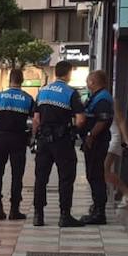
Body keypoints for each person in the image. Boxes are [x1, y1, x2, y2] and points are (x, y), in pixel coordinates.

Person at [32, 60, 87, 227]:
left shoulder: (42, 92)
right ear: (69, 73)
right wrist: (74, 130)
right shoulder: (70, 93)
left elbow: (36, 119)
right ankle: (64, 216)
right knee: (66, 177)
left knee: (41, 178)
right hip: (62, 141)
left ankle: (38, 215)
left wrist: (36, 139)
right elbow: (80, 119)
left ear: (56, 73)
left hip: (43, 140)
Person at [0, 68, 35, 221]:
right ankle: (14, 210)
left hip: (1, 139)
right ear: (22, 81)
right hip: (19, 139)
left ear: (9, 79)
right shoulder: (28, 98)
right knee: (17, 175)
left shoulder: (0, 96)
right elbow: (35, 120)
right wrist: (32, 137)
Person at [78, 70, 114, 225]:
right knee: (92, 175)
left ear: (93, 82)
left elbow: (103, 120)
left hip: (97, 142)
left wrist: (91, 135)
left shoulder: (102, 98)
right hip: (93, 142)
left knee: (95, 175)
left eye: (88, 81)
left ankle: (100, 213)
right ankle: (97, 206)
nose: (87, 84)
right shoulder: (96, 96)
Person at [105, 113, 128, 208]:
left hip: (112, 138)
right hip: (104, 139)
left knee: (104, 170)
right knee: (102, 171)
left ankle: (127, 193)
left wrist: (126, 141)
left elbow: (120, 120)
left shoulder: (112, 100)